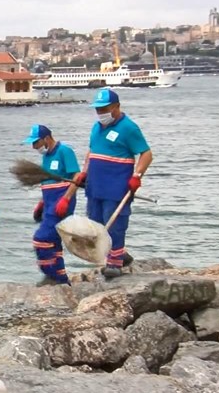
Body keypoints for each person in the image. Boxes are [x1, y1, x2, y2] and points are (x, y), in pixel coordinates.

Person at [62, 89, 152, 278]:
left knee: (115, 223)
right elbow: (91, 152)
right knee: (96, 224)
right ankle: (118, 253)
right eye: (98, 109)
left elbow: (146, 154)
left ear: (117, 106)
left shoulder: (129, 128)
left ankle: (115, 263)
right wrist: (84, 173)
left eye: (105, 108)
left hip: (116, 185)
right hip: (95, 185)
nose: (101, 113)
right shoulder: (96, 127)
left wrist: (137, 176)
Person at [23, 124, 80, 286]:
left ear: (46, 138)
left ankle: (51, 275)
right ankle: (61, 279)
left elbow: (77, 175)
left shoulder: (64, 151)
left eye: (36, 143)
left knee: (41, 239)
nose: (34, 147)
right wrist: (41, 203)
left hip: (61, 203)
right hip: (49, 203)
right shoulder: (46, 157)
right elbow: (47, 182)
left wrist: (67, 198)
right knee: (53, 243)